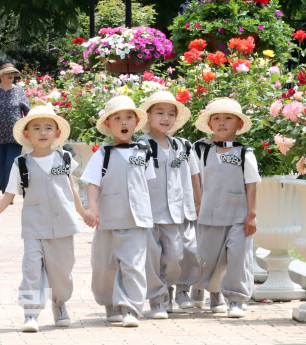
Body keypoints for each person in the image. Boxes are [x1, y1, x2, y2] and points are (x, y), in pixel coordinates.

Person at [0, 106, 83, 333]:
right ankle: (31, 313)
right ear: (27, 134)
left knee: (62, 272)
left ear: (57, 133)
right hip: (33, 227)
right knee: (31, 269)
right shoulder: (21, 163)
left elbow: (73, 190)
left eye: (48, 128)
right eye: (36, 128)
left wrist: (85, 213)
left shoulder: (66, 158)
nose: (43, 132)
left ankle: (59, 303)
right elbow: (7, 196)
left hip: (63, 226)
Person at [81, 95, 155, 328]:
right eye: (118, 119)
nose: (124, 123)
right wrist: (92, 209)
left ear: (136, 123)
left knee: (133, 264)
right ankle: (109, 303)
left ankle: (131, 308)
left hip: (136, 219)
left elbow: (147, 184)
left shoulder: (144, 152)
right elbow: (93, 184)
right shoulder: (102, 154)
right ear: (108, 125)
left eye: (129, 118)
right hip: (108, 218)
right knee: (105, 265)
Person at [191, 98, 259, 318]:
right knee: (209, 258)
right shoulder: (202, 152)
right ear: (209, 125)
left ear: (239, 124)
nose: (222, 123)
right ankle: (212, 293)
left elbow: (252, 184)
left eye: (228, 118)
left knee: (239, 256)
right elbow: (196, 179)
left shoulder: (244, 154)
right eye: (217, 119)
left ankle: (235, 299)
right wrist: (197, 203)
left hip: (238, 217)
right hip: (209, 215)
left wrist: (251, 216)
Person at [137, 91, 192, 319]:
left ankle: (168, 286)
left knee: (174, 256)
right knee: (151, 258)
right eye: (159, 113)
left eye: (171, 114)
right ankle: (157, 300)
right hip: (148, 212)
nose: (165, 118)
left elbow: (189, 176)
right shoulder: (140, 145)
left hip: (173, 212)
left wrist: (193, 203)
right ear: (148, 117)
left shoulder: (179, 146)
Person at [0, 61, 30, 193]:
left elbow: (28, 110)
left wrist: (28, 128)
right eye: (7, 73)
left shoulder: (19, 90)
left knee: (10, 165)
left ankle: (8, 194)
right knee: (0, 166)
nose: (10, 75)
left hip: (15, 136)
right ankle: (6, 193)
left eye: (12, 73)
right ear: (0, 75)